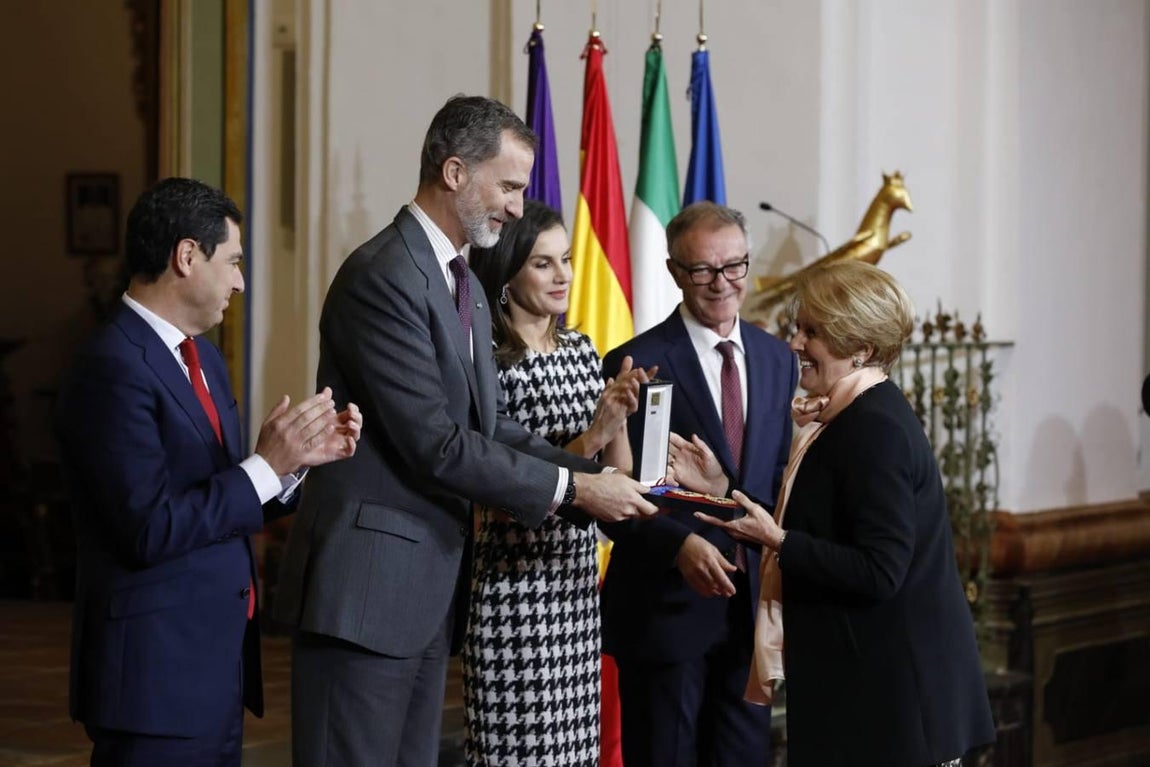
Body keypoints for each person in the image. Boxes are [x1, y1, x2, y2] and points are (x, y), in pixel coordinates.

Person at [272, 95, 657, 767]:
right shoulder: (382, 276)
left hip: (424, 594)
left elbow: (491, 424)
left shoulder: (466, 286)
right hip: (365, 594)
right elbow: (436, 442)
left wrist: (596, 476)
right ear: (454, 172)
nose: (515, 207)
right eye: (507, 185)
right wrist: (574, 490)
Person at [55, 177, 363, 767]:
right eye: (235, 261)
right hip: (153, 679)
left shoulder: (204, 358)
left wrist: (293, 466)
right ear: (187, 257)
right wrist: (262, 465)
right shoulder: (110, 365)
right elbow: (148, 527)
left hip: (213, 669)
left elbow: (220, 500)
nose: (241, 281)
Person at [680, 260, 997, 766]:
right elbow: (818, 527)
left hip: (891, 711)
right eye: (798, 328)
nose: (795, 344)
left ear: (861, 349)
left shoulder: (876, 430)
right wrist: (725, 487)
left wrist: (780, 543)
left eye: (812, 332)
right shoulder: (851, 416)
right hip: (865, 696)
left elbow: (879, 570)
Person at [599, 201, 797, 766]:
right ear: (673, 272)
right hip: (666, 616)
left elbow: (777, 479)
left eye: (734, 266)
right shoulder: (636, 362)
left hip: (750, 616)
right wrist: (678, 544)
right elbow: (615, 495)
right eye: (703, 270)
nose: (721, 283)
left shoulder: (777, 357)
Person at [463, 200, 655, 765]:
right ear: (506, 272)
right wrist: (593, 434)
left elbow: (613, 478)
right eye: (543, 263)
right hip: (511, 587)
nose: (565, 274)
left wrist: (617, 420)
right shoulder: (487, 365)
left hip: (573, 585)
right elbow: (501, 485)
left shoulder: (581, 352)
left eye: (566, 259)